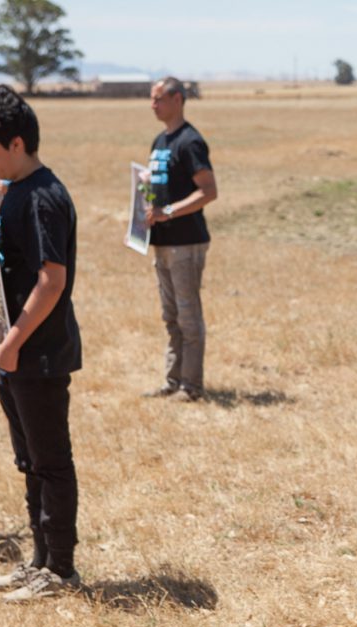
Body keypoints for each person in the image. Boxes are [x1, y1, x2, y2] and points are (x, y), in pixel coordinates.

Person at [0, 84, 83, 602]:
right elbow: (12, 274)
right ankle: (38, 561)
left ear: (15, 143)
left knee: (51, 461)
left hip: (40, 352)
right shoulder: (13, 194)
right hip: (16, 349)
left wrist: (12, 340)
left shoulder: (42, 198)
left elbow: (51, 280)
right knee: (28, 461)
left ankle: (61, 569)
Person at [141, 76, 218, 403]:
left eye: (158, 98)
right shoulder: (159, 141)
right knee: (170, 315)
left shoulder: (190, 142)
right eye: (152, 98)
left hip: (186, 242)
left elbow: (208, 191)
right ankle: (173, 380)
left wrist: (168, 211)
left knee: (188, 316)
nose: (153, 104)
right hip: (162, 242)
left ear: (177, 100)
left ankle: (192, 385)